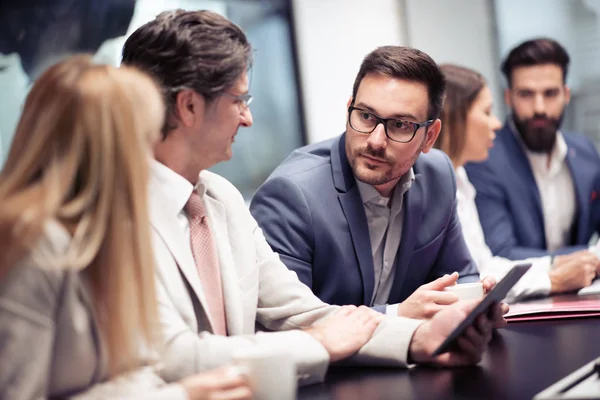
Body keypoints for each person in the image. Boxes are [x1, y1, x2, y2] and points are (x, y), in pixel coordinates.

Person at [121, 9, 504, 387]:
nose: (247, 118)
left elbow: (300, 312)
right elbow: (172, 355)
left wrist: (419, 340)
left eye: (400, 124)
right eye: (239, 100)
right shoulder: (112, 216)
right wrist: (320, 342)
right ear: (189, 106)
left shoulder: (222, 199)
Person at [0, 55, 252, 400]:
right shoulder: (33, 242)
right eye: (145, 140)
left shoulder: (103, 236)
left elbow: (137, 372)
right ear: (106, 150)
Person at [250, 45, 497, 319]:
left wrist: (473, 306)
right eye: (366, 116)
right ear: (349, 111)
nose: (376, 141)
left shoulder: (439, 175)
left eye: (400, 125)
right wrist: (398, 316)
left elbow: (461, 275)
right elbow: (289, 322)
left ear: (430, 136)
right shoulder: (292, 194)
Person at [435, 64, 600, 301]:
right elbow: (468, 280)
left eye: (550, 93)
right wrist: (552, 279)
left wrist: (555, 263)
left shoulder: (459, 177)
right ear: (455, 117)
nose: (497, 124)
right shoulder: (440, 183)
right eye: (487, 112)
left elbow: (485, 265)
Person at [464, 38, 600, 261]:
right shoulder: (483, 157)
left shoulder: (584, 151)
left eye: (550, 94)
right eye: (526, 94)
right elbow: (501, 254)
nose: (539, 108)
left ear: (566, 95)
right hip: (521, 294)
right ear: (509, 97)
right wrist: (588, 257)